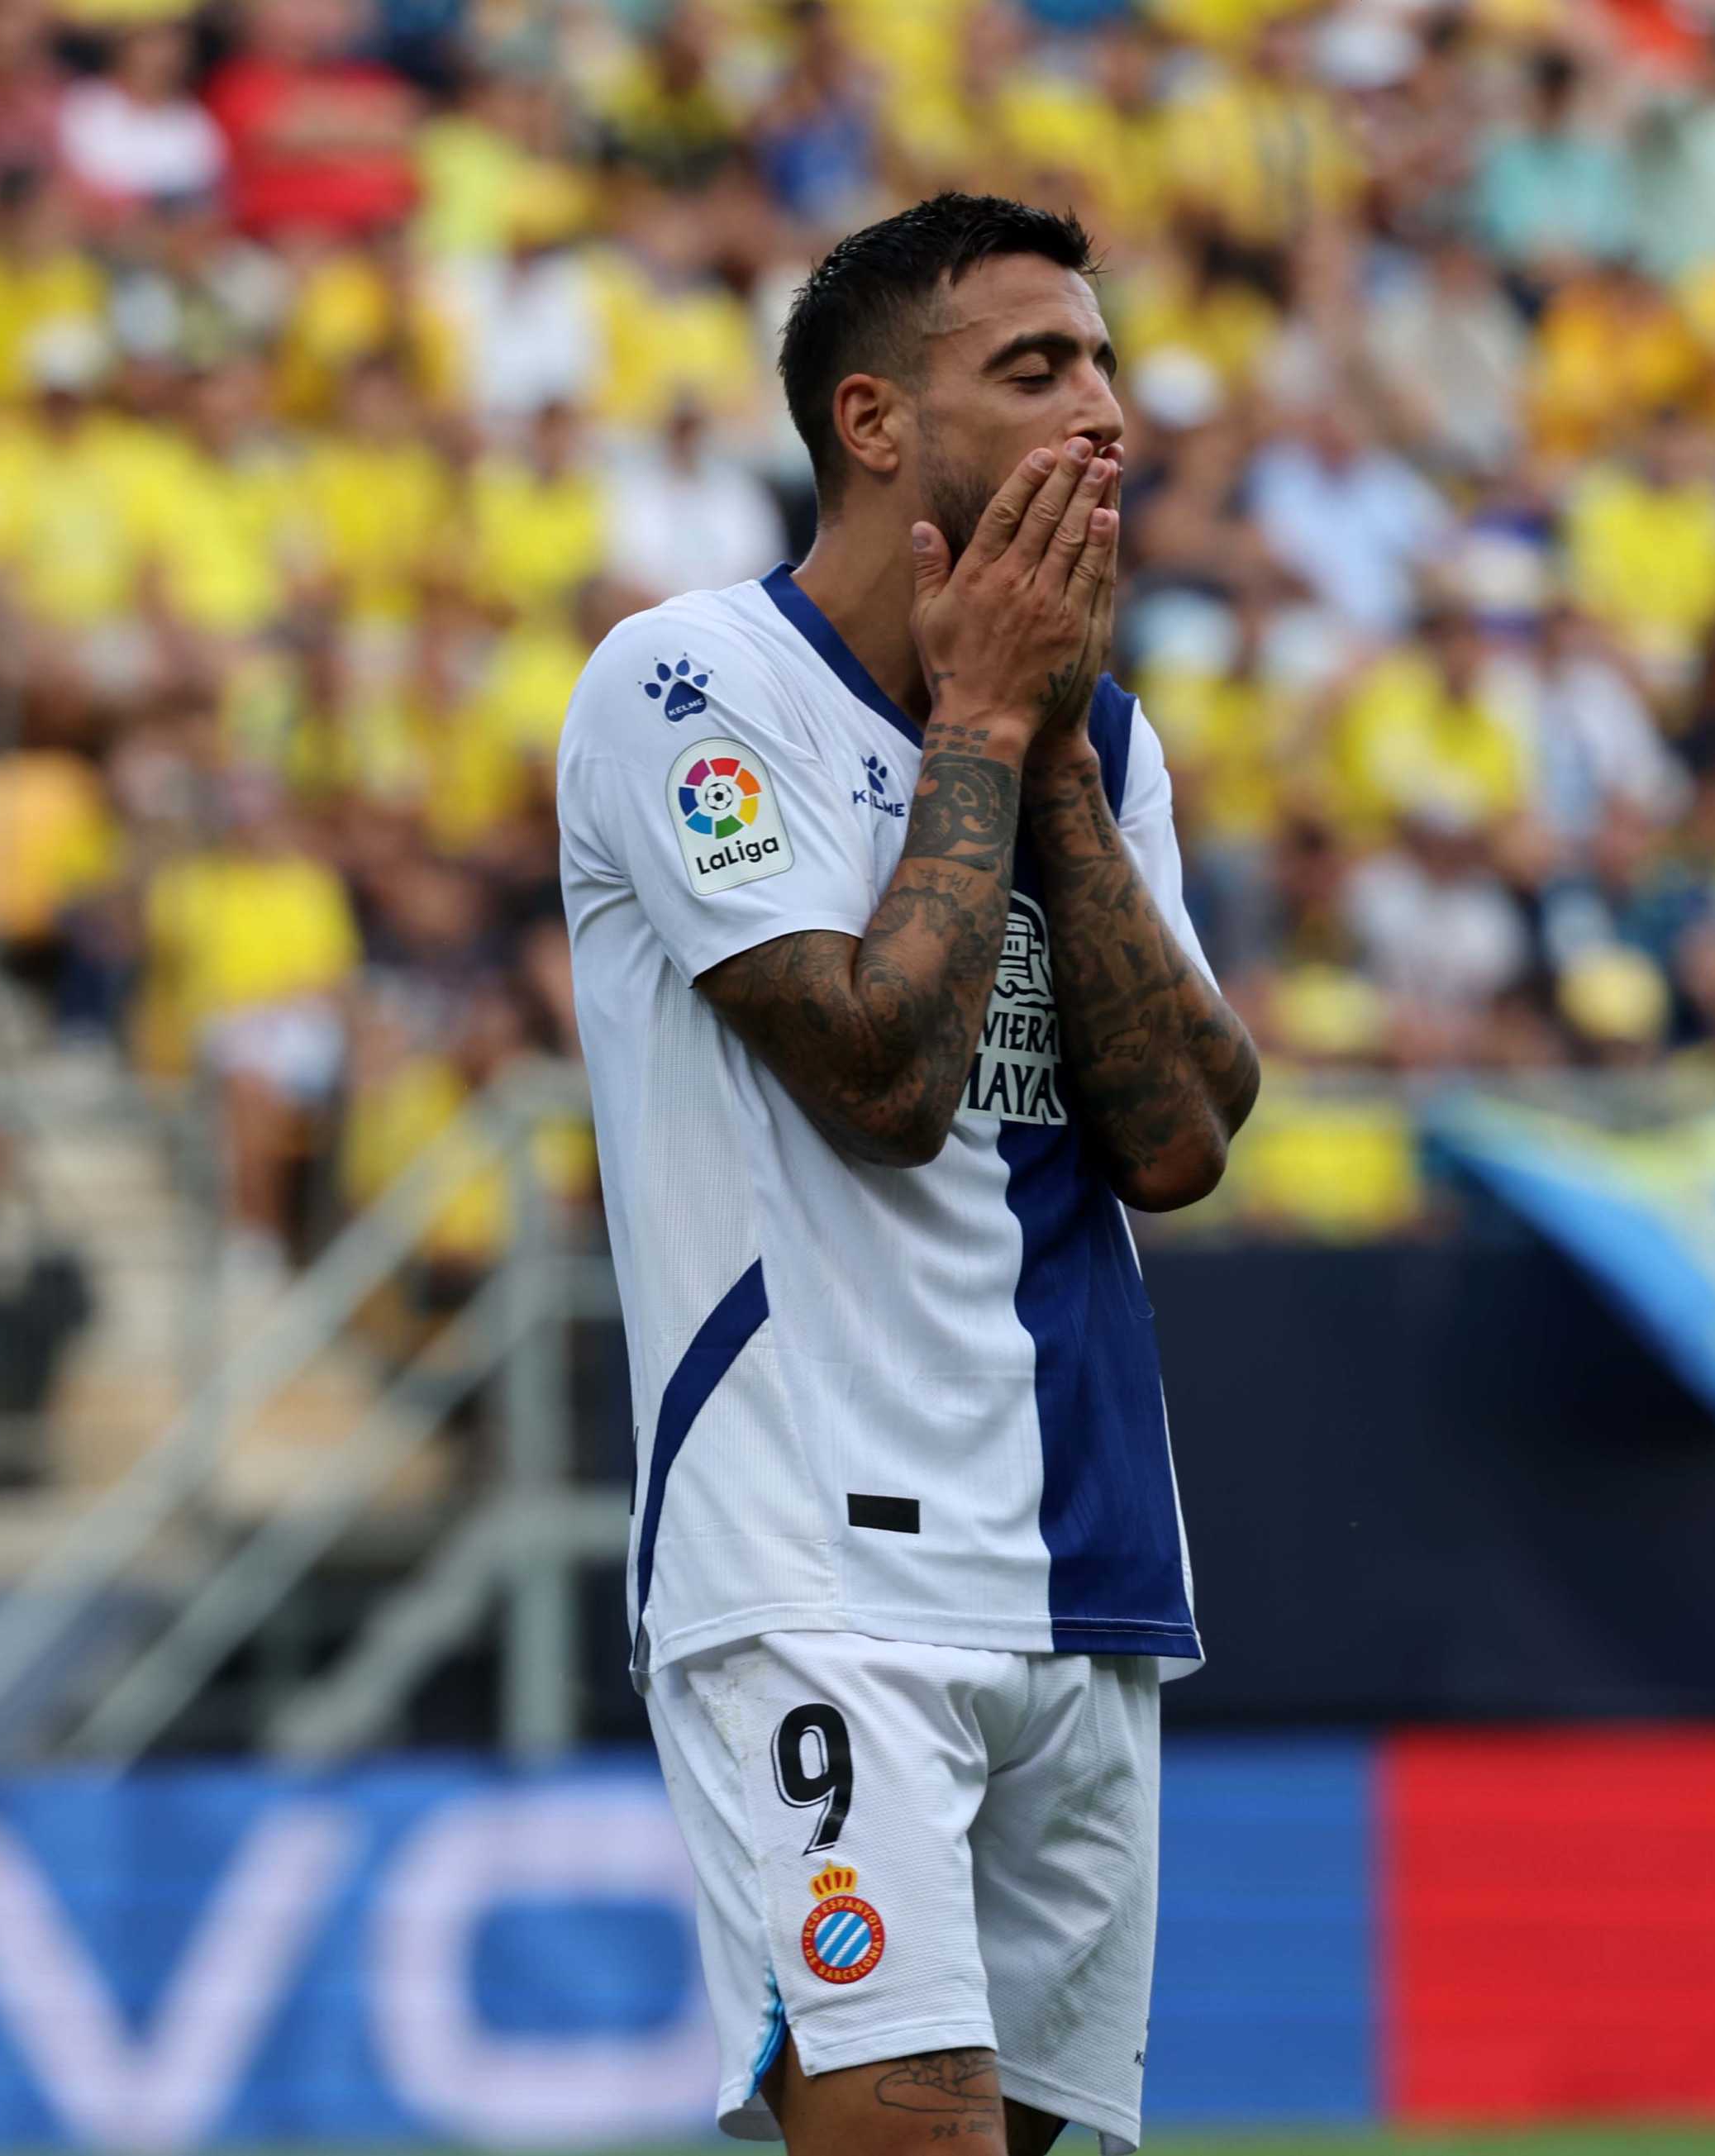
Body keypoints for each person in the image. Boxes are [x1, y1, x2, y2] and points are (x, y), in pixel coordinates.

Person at [556, 193, 1259, 2156]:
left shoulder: (1103, 740)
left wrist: (1049, 754)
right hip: (814, 1560)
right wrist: (984, 717)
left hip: (1085, 1559)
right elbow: (882, 1074)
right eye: (1036, 367)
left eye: (1104, 362)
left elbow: (1182, 1135)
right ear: (872, 421)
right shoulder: (686, 684)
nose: (1101, 408)